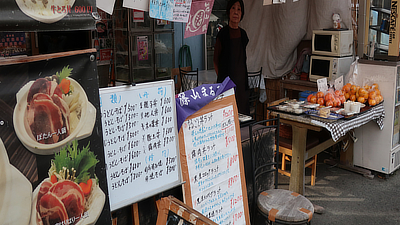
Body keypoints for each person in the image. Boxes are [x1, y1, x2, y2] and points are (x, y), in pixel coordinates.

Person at [213, 0, 249, 115]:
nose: (236, 12)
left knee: (242, 115)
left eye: (239, 9)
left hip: (242, 82)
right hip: (227, 83)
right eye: (233, 8)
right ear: (228, 11)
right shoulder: (222, 34)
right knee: (227, 115)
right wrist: (222, 81)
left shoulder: (243, 35)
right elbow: (215, 60)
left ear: (242, 14)